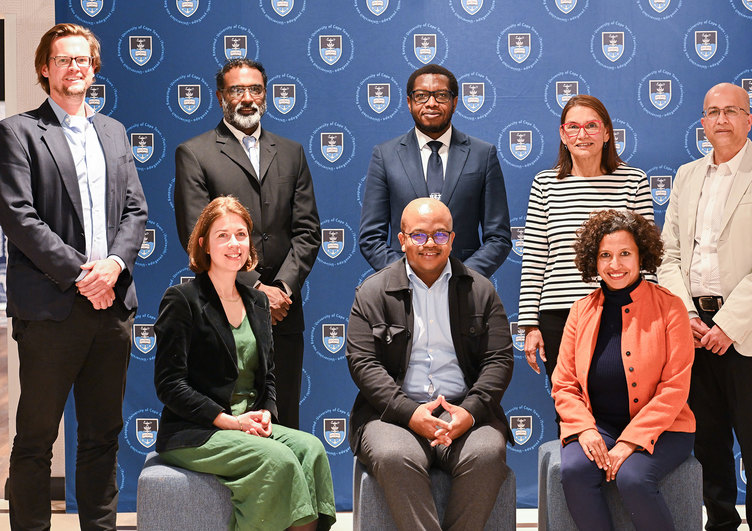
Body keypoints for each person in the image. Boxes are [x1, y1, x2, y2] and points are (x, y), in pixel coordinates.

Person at [0, 23, 148, 529]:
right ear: (45, 69)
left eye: (82, 60)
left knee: (102, 435)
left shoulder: (114, 132)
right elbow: (18, 217)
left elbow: (135, 212)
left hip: (112, 307)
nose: (74, 68)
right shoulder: (19, 132)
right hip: (51, 309)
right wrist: (82, 273)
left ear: (93, 68)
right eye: (63, 60)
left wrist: (114, 266)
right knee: (37, 438)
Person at [657, 82, 752, 531]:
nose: (721, 120)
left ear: (748, 119)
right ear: (702, 122)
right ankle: (720, 522)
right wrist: (690, 318)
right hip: (694, 326)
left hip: (748, 328)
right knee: (709, 439)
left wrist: (729, 326)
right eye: (712, 112)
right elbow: (669, 255)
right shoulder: (686, 175)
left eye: (732, 111)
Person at [154, 196, 336, 531]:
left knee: (311, 449)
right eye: (222, 235)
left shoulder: (256, 301)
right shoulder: (182, 300)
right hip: (195, 431)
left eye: (241, 234)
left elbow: (267, 377)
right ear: (203, 244)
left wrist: (266, 411)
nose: (234, 243)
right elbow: (169, 385)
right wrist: (228, 421)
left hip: (248, 421)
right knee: (277, 460)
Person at [346, 197, 513, 531]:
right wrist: (409, 412)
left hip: (465, 414)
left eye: (440, 235)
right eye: (419, 235)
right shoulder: (373, 292)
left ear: (452, 240)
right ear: (403, 239)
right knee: (394, 456)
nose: (430, 244)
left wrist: (470, 411)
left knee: (487, 454)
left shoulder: (481, 290)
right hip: (392, 416)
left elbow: (499, 359)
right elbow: (363, 363)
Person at [174, 58, 321, 430]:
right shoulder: (195, 153)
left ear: (266, 96)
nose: (246, 98)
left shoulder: (292, 152)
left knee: (284, 419)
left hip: (284, 311)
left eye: (255, 90)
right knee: (230, 415)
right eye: (237, 90)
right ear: (221, 96)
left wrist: (282, 289)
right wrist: (256, 289)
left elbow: (307, 231)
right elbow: (197, 234)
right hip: (223, 307)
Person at [553, 209, 695, 531]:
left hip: (665, 429)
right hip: (599, 425)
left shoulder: (670, 307)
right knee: (574, 470)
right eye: (605, 255)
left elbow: (674, 387)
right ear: (594, 260)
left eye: (624, 254)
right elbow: (564, 383)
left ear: (641, 255)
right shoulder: (580, 310)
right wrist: (584, 428)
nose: (615, 265)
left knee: (632, 477)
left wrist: (631, 441)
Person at [518, 95, 653, 386]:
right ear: (563, 134)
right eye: (573, 127)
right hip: (559, 315)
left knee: (622, 399)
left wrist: (649, 315)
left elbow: (648, 259)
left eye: (592, 126)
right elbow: (534, 259)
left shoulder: (634, 180)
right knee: (568, 404)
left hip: (620, 310)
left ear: (606, 133)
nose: (583, 135)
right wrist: (530, 325)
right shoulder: (545, 184)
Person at [359, 64, 511, 278]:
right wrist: (406, 275)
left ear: (455, 102)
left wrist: (462, 277)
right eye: (421, 96)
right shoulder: (385, 156)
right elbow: (371, 238)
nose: (431, 103)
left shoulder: (482, 155)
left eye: (441, 95)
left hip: (464, 293)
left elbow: (498, 237)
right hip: (404, 293)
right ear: (409, 102)